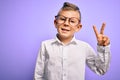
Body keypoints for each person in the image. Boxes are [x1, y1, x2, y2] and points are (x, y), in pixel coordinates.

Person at [34, 2, 111, 80]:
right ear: (55, 23)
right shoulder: (45, 45)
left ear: (78, 27)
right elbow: (38, 75)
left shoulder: (84, 47)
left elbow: (101, 70)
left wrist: (103, 47)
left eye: (72, 21)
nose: (66, 23)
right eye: (62, 19)